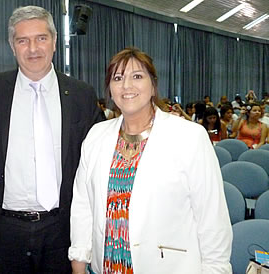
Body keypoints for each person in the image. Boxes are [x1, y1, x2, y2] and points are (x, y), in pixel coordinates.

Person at [69, 47, 232, 274]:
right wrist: (78, 259)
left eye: (137, 76)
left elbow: (212, 219)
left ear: (153, 85)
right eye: (118, 78)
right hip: (104, 267)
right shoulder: (97, 135)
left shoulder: (189, 137)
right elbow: (82, 204)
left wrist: (215, 269)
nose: (127, 86)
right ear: (110, 90)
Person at [0, 6, 101, 273]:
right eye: (23, 40)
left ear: (55, 42)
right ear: (12, 46)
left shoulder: (82, 95)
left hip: (61, 228)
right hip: (6, 228)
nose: (33, 48)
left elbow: (97, 161)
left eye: (41, 38)